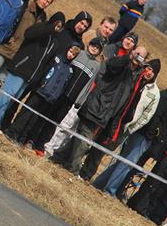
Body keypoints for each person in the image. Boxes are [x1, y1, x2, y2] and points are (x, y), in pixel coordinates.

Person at [60, 46, 148, 175]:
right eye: (137, 53)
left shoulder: (136, 75)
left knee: (80, 138)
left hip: (107, 114)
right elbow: (111, 65)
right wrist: (128, 57)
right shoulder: (121, 63)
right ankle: (73, 169)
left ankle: (59, 156)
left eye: (141, 56)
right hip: (97, 106)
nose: (137, 57)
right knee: (84, 139)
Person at [90, 62, 167, 197]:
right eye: (147, 68)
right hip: (114, 119)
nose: (148, 72)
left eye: (152, 71)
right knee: (95, 143)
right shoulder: (134, 78)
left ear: (155, 75)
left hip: (127, 127)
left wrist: (131, 128)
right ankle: (89, 174)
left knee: (109, 152)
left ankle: (95, 179)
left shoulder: (154, 93)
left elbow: (146, 116)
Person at [0, 11, 66, 132]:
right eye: (56, 24)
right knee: (7, 95)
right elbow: (28, 34)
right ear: (52, 22)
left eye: (60, 26)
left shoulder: (55, 43)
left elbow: (47, 62)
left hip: (31, 77)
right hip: (20, 68)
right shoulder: (40, 28)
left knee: (12, 100)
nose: (57, 28)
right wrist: (48, 29)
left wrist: (39, 78)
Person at [116, 84, 167, 202]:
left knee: (135, 168)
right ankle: (116, 188)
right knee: (131, 164)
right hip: (149, 140)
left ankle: (120, 189)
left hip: (157, 147)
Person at [6, 44, 81, 150]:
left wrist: (56, 96)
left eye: (73, 54)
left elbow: (64, 85)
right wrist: (41, 84)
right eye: (70, 51)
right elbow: (45, 71)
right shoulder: (57, 59)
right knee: (26, 113)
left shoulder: (70, 70)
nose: (70, 55)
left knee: (34, 119)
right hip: (40, 91)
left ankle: (22, 139)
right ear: (67, 49)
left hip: (49, 98)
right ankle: (12, 132)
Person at [43, 38, 103, 156]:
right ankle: (34, 138)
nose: (94, 48)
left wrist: (80, 100)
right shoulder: (79, 53)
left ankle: (45, 144)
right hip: (59, 92)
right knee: (47, 114)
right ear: (89, 44)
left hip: (73, 100)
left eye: (98, 47)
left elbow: (89, 85)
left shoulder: (97, 66)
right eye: (93, 44)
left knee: (57, 122)